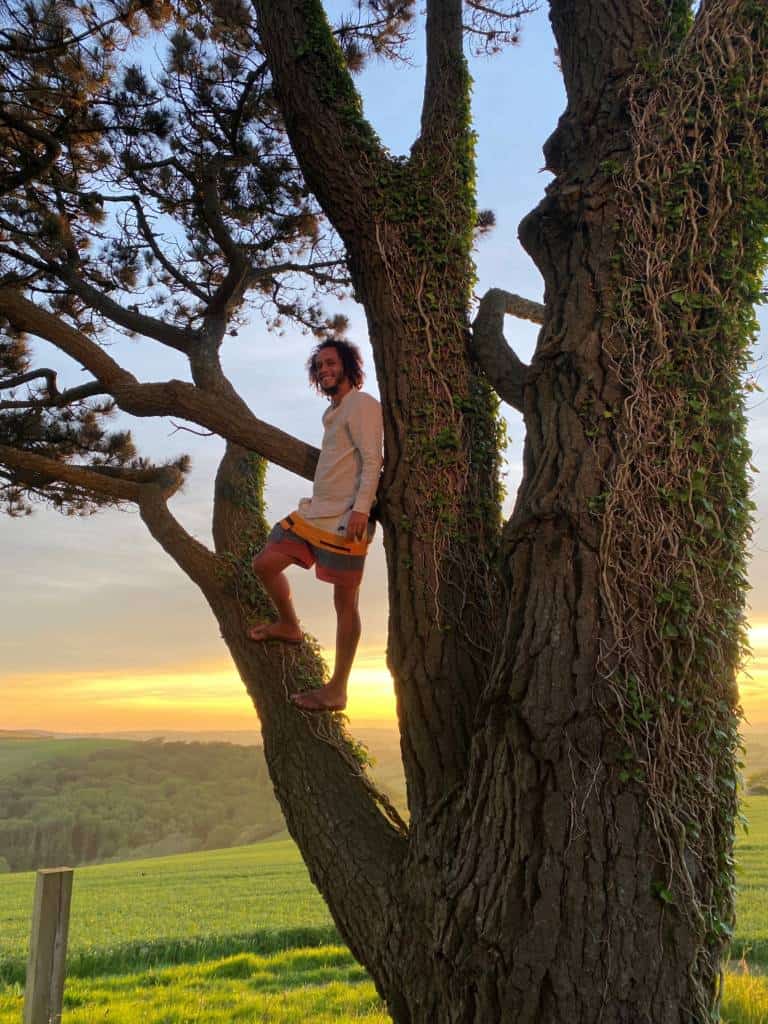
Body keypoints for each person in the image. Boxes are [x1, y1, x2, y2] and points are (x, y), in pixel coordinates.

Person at [248, 338, 383, 712]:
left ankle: (338, 688)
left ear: (348, 367)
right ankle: (289, 625)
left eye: (331, 363)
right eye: (319, 367)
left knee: (345, 604)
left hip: (346, 518)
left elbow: (373, 460)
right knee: (265, 563)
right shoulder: (333, 413)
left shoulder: (362, 404)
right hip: (315, 513)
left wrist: (361, 509)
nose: (325, 370)